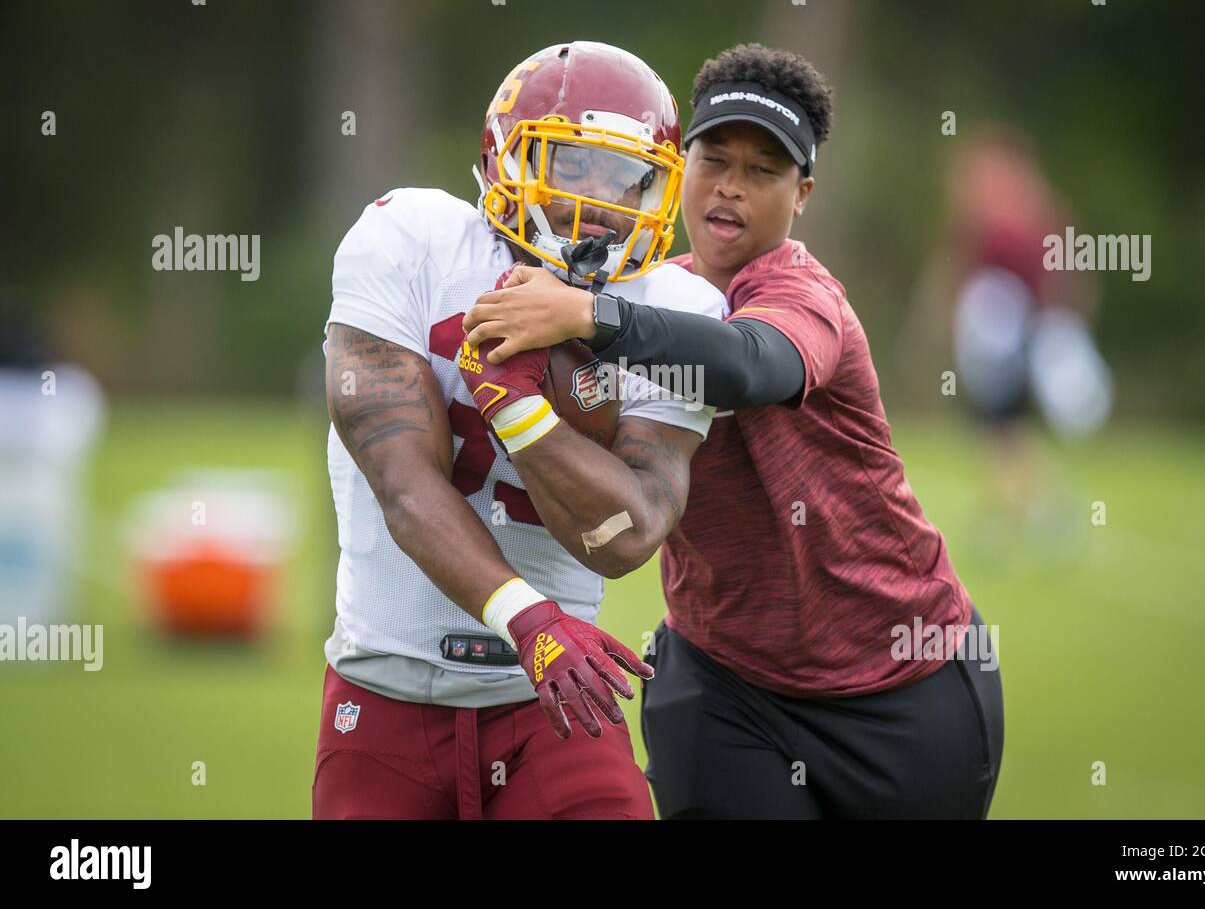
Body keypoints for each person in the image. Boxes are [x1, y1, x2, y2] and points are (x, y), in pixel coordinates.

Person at [463, 43, 1004, 818]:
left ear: (803, 193)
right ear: (678, 167)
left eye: (765, 171)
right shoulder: (640, 285)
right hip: (724, 683)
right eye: (715, 160)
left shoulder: (800, 294)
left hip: (902, 681)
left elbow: (751, 364)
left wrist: (591, 316)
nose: (732, 189)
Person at [314, 41, 726, 819]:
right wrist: (528, 621)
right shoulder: (408, 240)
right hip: (387, 693)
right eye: (574, 165)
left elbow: (627, 536)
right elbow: (404, 484)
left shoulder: (678, 313)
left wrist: (521, 412)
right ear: (504, 157)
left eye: (630, 178)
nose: (604, 202)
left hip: (557, 708)